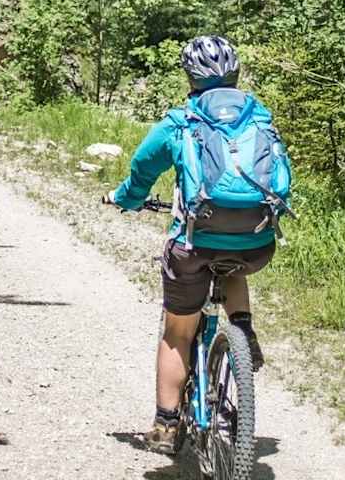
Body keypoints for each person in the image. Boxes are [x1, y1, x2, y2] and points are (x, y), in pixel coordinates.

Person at [103, 35, 290, 455]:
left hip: (194, 243)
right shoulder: (259, 116)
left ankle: (166, 425)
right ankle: (242, 330)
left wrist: (126, 198)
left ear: (190, 78)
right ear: (235, 75)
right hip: (257, 241)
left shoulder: (181, 121)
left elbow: (142, 168)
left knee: (178, 331)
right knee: (234, 264)